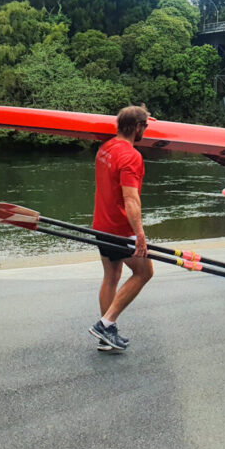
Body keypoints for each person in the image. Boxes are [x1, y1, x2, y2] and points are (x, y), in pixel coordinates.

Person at [88, 105, 154, 352]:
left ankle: (105, 334)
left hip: (100, 224)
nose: (145, 131)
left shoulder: (105, 148)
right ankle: (105, 323)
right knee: (145, 272)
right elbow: (131, 199)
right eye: (145, 126)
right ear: (137, 127)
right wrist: (140, 235)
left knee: (112, 276)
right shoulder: (131, 156)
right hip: (118, 229)